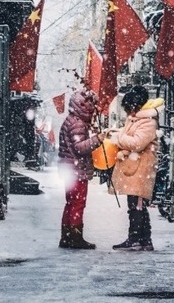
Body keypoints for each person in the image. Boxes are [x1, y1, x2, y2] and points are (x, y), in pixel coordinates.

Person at [109, 85, 159, 251]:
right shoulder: (136, 120)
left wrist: (119, 137)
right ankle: (144, 239)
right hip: (135, 168)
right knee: (136, 205)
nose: (128, 112)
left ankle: (136, 237)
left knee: (137, 205)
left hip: (141, 169)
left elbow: (137, 143)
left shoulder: (147, 122)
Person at [57, 88, 105, 249]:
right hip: (76, 171)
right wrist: (98, 139)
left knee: (70, 203)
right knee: (77, 203)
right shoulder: (77, 123)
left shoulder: (71, 120)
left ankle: (66, 236)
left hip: (69, 170)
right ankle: (75, 238)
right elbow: (79, 148)